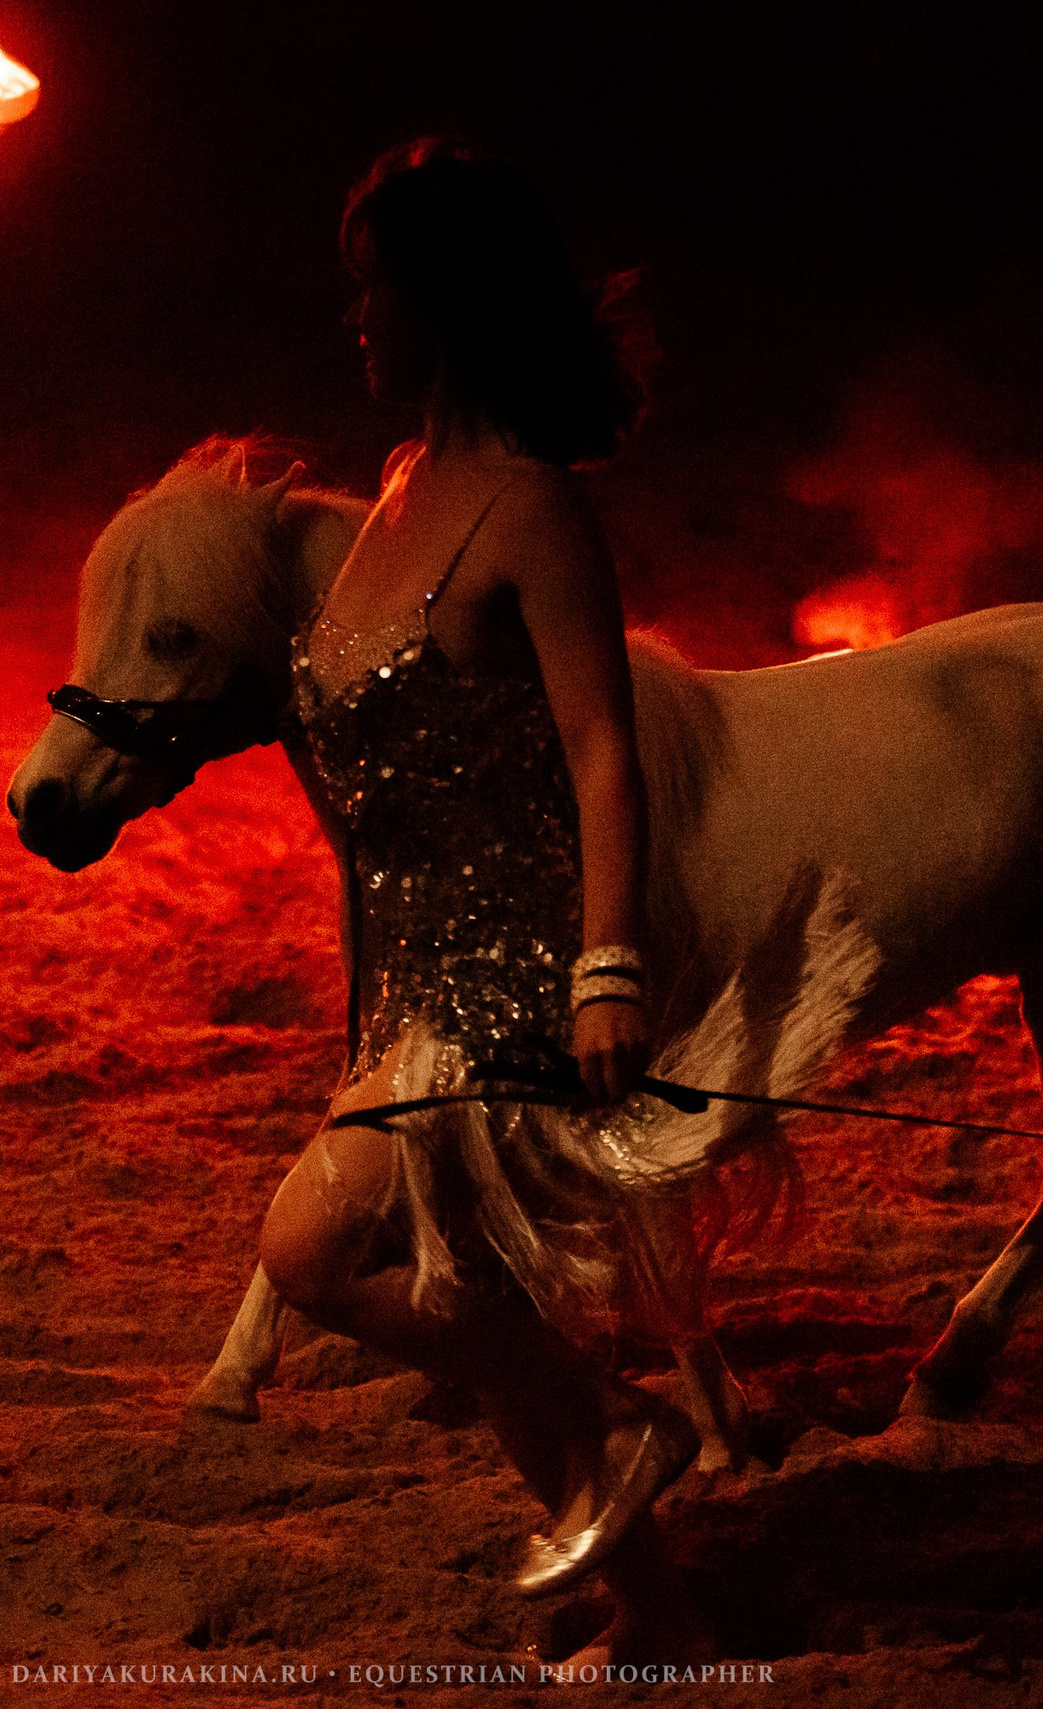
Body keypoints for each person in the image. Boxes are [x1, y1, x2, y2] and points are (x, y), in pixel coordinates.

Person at [257, 141, 712, 1668]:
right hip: (416, 971)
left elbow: (603, 749)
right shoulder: (401, 486)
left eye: (377, 287)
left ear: (445, 299)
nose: (358, 318)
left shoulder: (529, 512)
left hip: (509, 981)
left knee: (312, 1255)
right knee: (480, 1304)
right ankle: (658, 1603)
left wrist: (602, 971)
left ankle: (624, 1423)